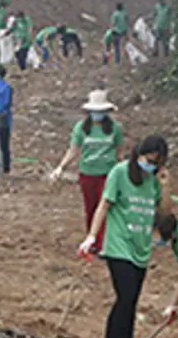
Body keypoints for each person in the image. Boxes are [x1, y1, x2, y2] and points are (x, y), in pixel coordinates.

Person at [79, 137, 171, 338]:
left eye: (156, 163)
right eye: (149, 160)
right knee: (126, 295)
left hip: (141, 248)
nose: (151, 165)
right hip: (118, 245)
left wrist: (166, 186)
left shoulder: (154, 180)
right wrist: (92, 236)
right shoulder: (119, 173)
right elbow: (104, 204)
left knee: (131, 301)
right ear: (139, 154)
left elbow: (165, 213)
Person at [50, 91, 125, 243]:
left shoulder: (115, 128)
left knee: (105, 207)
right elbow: (74, 150)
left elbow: (120, 152)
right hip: (88, 174)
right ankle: (92, 239)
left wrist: (122, 172)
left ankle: (105, 241)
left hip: (108, 174)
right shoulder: (81, 128)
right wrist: (61, 167)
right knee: (91, 208)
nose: (97, 114)